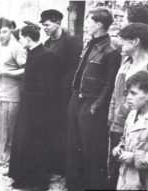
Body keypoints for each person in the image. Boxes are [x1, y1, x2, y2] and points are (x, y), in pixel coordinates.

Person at [60, 8, 122, 191]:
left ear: (99, 24)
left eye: (89, 21)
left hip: (93, 103)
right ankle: (74, 188)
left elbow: (109, 85)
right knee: (74, 145)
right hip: (77, 98)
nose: (86, 24)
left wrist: (96, 107)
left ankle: (92, 190)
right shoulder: (89, 44)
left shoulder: (111, 50)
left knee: (92, 148)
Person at [8, 25, 61, 191]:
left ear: (28, 38)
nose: (20, 41)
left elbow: (52, 86)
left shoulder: (47, 55)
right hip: (28, 105)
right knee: (23, 141)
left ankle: (40, 182)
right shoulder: (32, 53)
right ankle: (23, 177)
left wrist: (44, 109)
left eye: (21, 38)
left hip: (40, 109)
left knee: (37, 144)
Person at [40, 9, 83, 174]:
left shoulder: (71, 41)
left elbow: (75, 67)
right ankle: (53, 163)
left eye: (47, 25)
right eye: (43, 26)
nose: (44, 28)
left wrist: (63, 84)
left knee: (64, 129)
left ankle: (63, 166)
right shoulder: (47, 43)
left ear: (57, 23)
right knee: (51, 128)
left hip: (64, 93)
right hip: (49, 94)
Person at [107, 23, 148, 189]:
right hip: (120, 126)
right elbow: (115, 94)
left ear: (136, 41)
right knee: (116, 172)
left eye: (123, 41)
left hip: (142, 131)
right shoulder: (125, 62)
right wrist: (111, 119)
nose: (120, 44)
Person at [0, 18, 27, 167]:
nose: (1, 35)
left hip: (11, 96)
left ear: (11, 31)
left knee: (9, 131)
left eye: (4, 32)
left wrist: (5, 73)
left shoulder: (17, 47)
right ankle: (1, 159)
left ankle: (9, 163)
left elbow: (27, 69)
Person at [112, 71, 148, 190]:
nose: (128, 97)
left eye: (133, 93)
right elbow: (125, 139)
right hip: (126, 181)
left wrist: (134, 158)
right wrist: (120, 149)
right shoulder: (132, 115)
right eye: (128, 93)